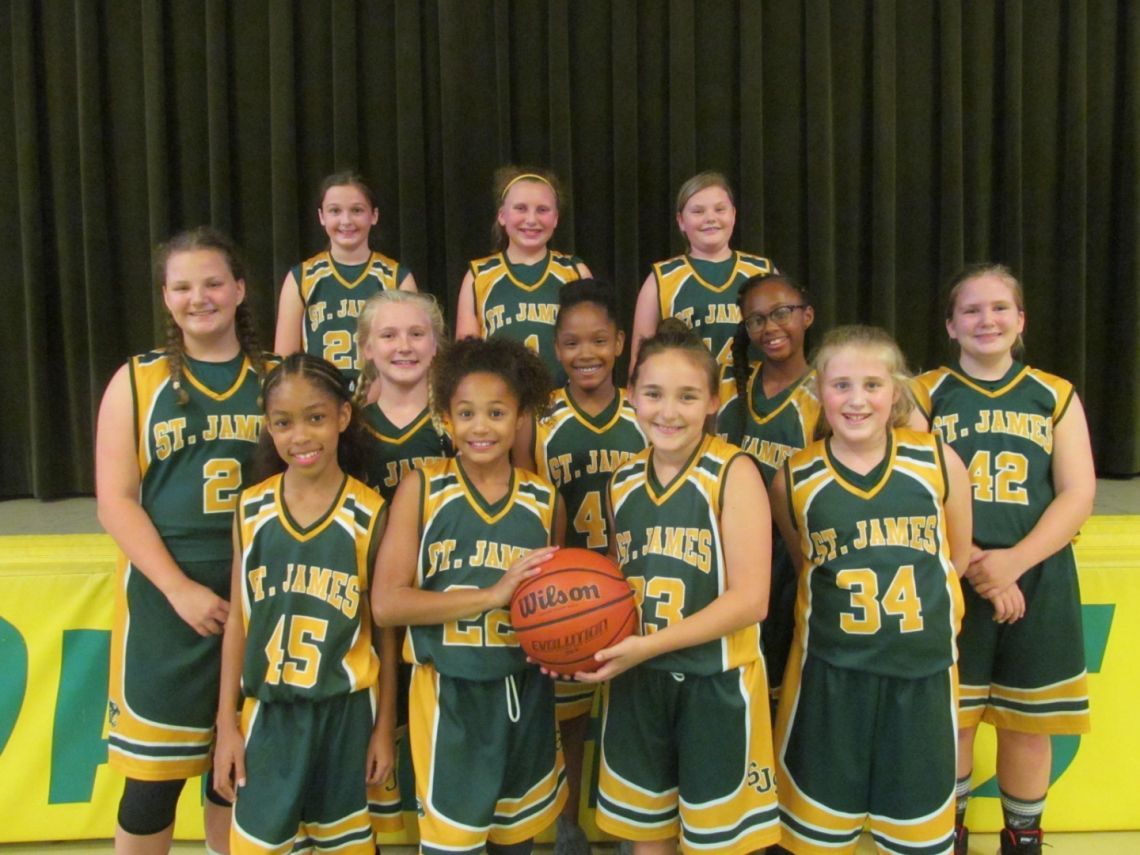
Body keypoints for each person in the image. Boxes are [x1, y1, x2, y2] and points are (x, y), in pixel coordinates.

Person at [95, 227, 273, 854]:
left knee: (238, 777)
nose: (199, 298)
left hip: (258, 596)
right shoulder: (136, 381)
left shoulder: (277, 377)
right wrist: (177, 590)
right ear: (166, 298)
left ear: (240, 289)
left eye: (213, 283)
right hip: (167, 602)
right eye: (182, 287)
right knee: (152, 784)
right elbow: (116, 501)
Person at [913, 265, 1095, 855]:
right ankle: (950, 835)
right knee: (953, 723)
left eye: (998, 308)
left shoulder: (1055, 394)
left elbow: (1077, 493)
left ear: (1021, 320)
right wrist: (979, 568)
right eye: (970, 310)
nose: (985, 320)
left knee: (1028, 726)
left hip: (1037, 577)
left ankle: (1023, 839)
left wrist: (1013, 563)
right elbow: (916, 489)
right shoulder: (924, 394)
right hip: (951, 577)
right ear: (950, 325)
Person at [769, 325, 972, 855]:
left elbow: (955, 558)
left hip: (922, 677)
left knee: (916, 841)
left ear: (896, 391)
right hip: (829, 679)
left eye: (872, 385)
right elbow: (806, 564)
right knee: (815, 839)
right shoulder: (795, 478)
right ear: (818, 391)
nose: (856, 399)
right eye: (841, 385)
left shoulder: (938, 461)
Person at [580, 319, 780, 855]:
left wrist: (646, 647)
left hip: (715, 684)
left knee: (716, 845)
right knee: (649, 841)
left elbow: (751, 600)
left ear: (713, 402)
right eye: (653, 394)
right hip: (638, 685)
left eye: (687, 396)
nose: (668, 411)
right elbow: (614, 589)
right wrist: (575, 640)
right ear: (631, 396)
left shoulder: (733, 472)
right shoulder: (621, 481)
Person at [372, 336, 567, 855]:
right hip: (448, 698)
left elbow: (560, 605)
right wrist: (491, 595)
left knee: (516, 845)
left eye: (496, 412)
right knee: (452, 847)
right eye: (466, 413)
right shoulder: (422, 487)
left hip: (524, 694)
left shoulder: (545, 500)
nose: (481, 426)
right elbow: (387, 604)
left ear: (521, 417)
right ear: (445, 418)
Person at [213, 354, 401, 854]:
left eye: (315, 418)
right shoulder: (250, 509)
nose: (300, 436)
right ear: (268, 427)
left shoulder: (369, 513)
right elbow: (238, 623)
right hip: (268, 716)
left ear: (343, 416)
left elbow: (385, 633)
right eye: (283, 423)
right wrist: (227, 724)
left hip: (346, 716)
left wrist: (384, 729)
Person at [512, 279, 646, 855]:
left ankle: (632, 825)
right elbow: (526, 504)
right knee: (568, 717)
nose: (585, 353)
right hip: (565, 594)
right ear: (555, 348)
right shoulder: (538, 417)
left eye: (598, 340)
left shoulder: (645, 409)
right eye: (571, 343)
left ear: (619, 342)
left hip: (638, 585)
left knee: (632, 711)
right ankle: (569, 824)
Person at [721, 273, 820, 704]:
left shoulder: (826, 395)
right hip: (727, 557)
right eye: (757, 319)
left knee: (784, 689)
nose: (770, 327)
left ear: (807, 316)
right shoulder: (726, 390)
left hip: (791, 558)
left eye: (782, 313)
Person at [275, 171, 417, 387]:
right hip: (319, 396)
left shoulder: (397, 278)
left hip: (382, 396)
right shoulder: (301, 278)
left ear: (374, 215)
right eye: (335, 211)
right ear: (321, 216)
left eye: (357, 210)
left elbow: (413, 354)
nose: (346, 220)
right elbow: (284, 363)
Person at [629, 171, 776, 375]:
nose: (710, 218)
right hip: (686, 392)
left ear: (733, 214)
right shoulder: (660, 280)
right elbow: (639, 363)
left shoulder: (763, 273)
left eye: (720, 209)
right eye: (698, 211)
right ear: (681, 221)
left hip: (752, 393)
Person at [454, 166, 592, 378]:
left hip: (563, 396)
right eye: (520, 208)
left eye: (542, 210)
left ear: (556, 218)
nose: (531, 219)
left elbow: (593, 346)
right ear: (502, 215)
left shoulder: (575, 272)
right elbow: (466, 362)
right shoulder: (478, 276)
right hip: (500, 397)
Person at [354, 289, 453, 501]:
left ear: (434, 345)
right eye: (388, 335)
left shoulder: (457, 422)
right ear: (367, 348)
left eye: (416, 334)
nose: (404, 347)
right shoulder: (352, 428)